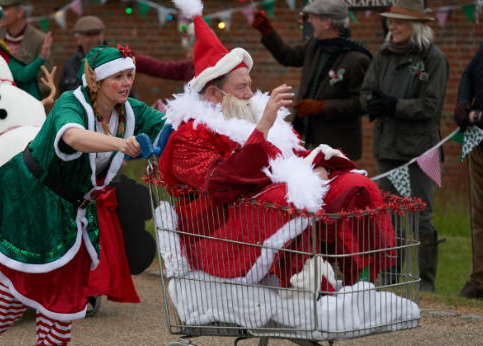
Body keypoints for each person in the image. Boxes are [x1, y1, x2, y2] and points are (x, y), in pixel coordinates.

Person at [0, 44, 166, 346]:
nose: (126, 82)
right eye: (118, 77)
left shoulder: (129, 112)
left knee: (67, 282)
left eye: (129, 75)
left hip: (71, 208)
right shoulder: (70, 103)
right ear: (96, 81)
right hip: (29, 197)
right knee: (5, 281)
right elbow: (72, 136)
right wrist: (120, 144)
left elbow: (168, 126)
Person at [159, 0, 395, 290]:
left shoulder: (249, 116)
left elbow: (289, 157)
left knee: (352, 186)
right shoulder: (190, 136)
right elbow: (219, 183)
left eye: (249, 84)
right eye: (241, 88)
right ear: (212, 93)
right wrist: (262, 128)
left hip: (265, 208)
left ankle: (360, 280)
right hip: (222, 231)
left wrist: (318, 166)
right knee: (290, 198)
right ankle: (307, 283)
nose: (249, 94)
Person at [360, 0, 448, 291]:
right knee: (389, 216)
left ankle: (427, 283)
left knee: (421, 216)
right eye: (390, 20)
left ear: (417, 26)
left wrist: (394, 105)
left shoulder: (433, 59)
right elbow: (366, 91)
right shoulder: (383, 56)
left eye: (398, 21)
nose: (392, 26)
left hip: (421, 150)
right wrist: (371, 104)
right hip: (387, 148)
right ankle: (392, 278)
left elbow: (430, 106)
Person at [251, 0, 371, 161]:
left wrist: (322, 107)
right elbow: (289, 56)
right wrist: (268, 32)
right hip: (310, 138)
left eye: (314, 17)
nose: (309, 20)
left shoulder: (357, 59)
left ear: (327, 22)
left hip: (338, 146)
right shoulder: (315, 46)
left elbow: (362, 103)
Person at [453, 43, 483, 299]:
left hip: (479, 127)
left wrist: (475, 117)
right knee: (479, 215)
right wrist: (463, 101)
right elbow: (469, 74)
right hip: (480, 143)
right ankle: (479, 280)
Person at [0, 0, 54, 98]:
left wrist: (24, 94)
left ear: (20, 12)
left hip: (27, 104)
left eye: (4, 9)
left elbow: (46, 82)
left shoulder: (39, 39)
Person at [58, 15, 105, 93]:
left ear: (103, 36)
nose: (93, 39)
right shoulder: (72, 63)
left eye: (96, 34)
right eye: (88, 35)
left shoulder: (114, 60)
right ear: (78, 39)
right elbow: (64, 94)